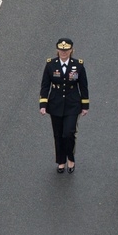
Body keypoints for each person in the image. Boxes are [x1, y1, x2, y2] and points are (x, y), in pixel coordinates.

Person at [39, 38, 89, 174]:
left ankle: (70, 158)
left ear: (71, 50)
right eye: (61, 50)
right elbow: (45, 85)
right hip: (55, 104)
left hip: (72, 104)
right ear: (57, 50)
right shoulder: (51, 65)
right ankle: (61, 161)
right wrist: (43, 104)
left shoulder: (78, 65)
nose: (63, 52)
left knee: (69, 133)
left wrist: (85, 105)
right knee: (58, 134)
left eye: (66, 50)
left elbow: (83, 86)